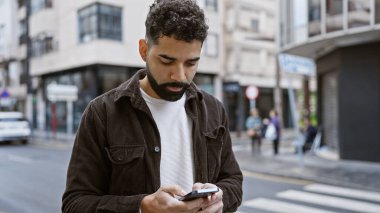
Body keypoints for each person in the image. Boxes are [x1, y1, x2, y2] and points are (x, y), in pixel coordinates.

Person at [61, 0, 243, 212]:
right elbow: (74, 204)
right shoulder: (102, 113)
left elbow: (233, 180)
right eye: (166, 61)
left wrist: (221, 199)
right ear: (143, 50)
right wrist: (141, 207)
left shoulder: (214, 110)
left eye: (191, 63)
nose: (180, 75)